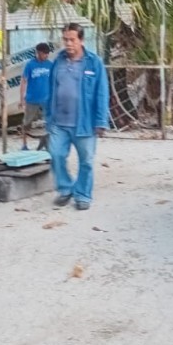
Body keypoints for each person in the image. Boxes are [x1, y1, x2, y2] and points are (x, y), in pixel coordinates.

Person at [46, 23, 110, 210]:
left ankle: (82, 195)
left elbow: (102, 93)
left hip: (85, 123)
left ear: (81, 40)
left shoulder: (94, 62)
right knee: (55, 155)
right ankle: (65, 188)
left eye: (72, 40)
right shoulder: (58, 61)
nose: (68, 43)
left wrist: (101, 122)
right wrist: (48, 117)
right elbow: (51, 90)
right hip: (59, 122)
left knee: (86, 161)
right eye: (65, 39)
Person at [20, 42, 53, 150]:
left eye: (48, 53)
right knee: (27, 123)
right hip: (32, 99)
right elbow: (24, 81)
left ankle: (46, 144)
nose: (47, 55)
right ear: (38, 53)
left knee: (48, 123)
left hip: (47, 100)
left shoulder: (50, 65)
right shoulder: (30, 65)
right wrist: (22, 98)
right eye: (44, 53)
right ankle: (24, 145)